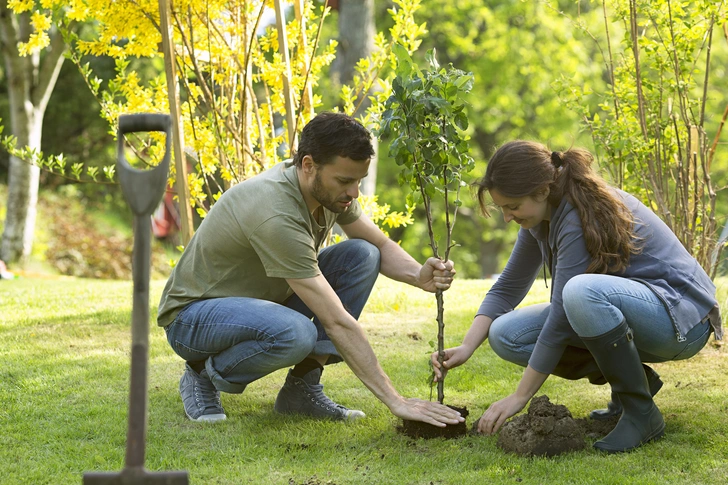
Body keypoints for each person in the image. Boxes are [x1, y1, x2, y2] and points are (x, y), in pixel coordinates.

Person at [158, 112, 463, 429]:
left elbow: (381, 246)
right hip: (193, 319)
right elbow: (336, 321)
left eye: (358, 180)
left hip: (261, 307)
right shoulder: (275, 212)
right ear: (308, 165)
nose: (354, 193)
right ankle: (201, 372)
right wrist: (396, 401)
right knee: (296, 333)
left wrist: (418, 275)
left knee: (362, 254)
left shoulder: (329, 194)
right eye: (345, 181)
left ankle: (302, 389)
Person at [431, 140, 722, 453]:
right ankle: (635, 385)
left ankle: (641, 414)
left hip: (681, 319)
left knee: (580, 293)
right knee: (505, 334)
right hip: (640, 311)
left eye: (512, 207)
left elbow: (560, 318)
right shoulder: (541, 218)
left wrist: (520, 396)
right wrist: (468, 346)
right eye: (502, 207)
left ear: (542, 191)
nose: (506, 217)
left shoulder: (577, 215)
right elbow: (508, 286)